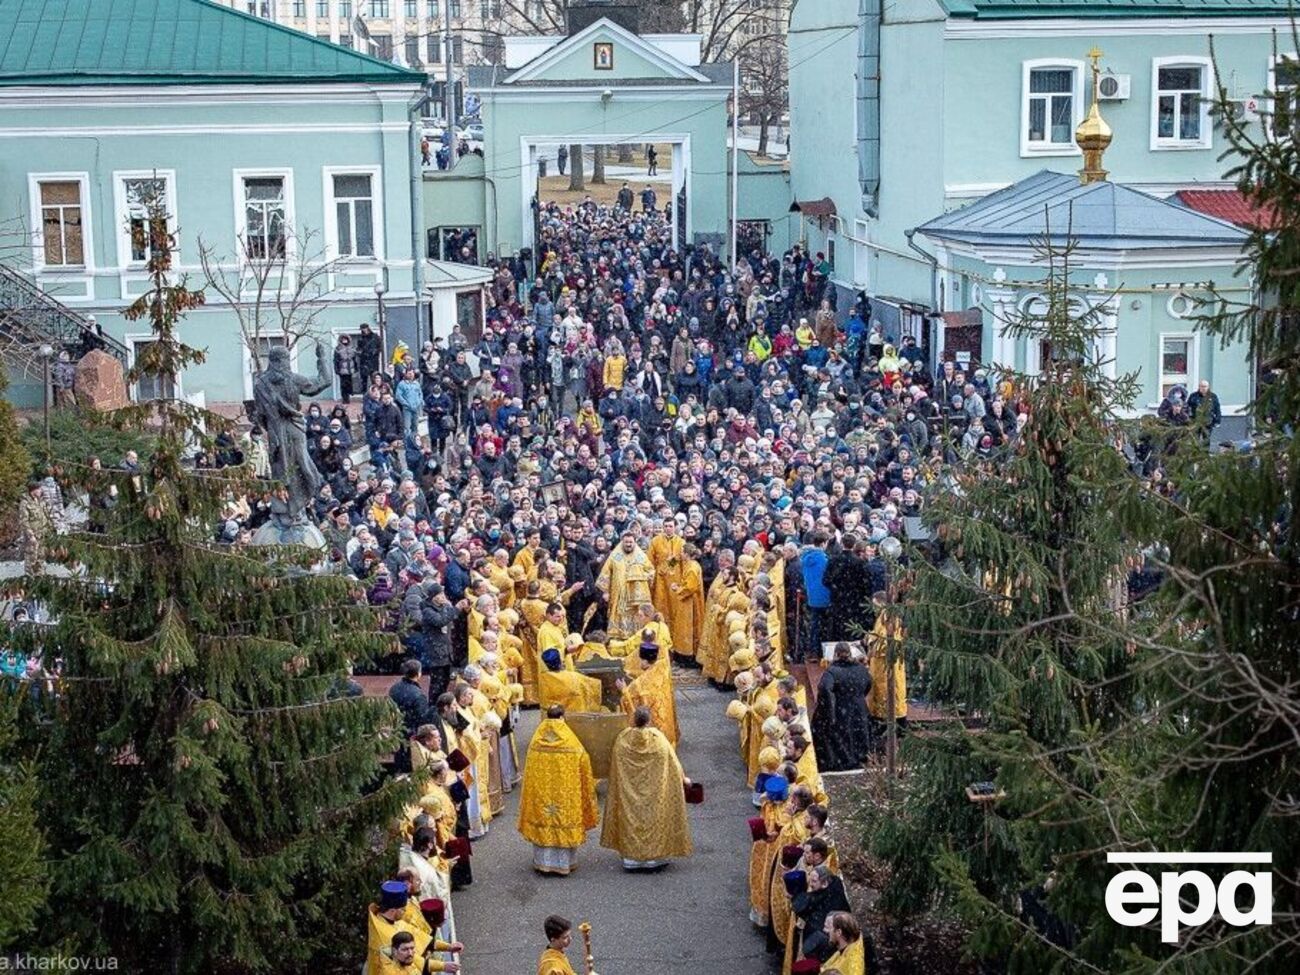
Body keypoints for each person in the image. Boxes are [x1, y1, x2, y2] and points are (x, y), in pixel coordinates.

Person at [600, 706, 693, 870]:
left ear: (633, 720)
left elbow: (614, 762)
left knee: (632, 818)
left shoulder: (623, 739)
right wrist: (683, 779)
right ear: (649, 721)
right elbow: (673, 761)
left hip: (629, 792)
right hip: (655, 792)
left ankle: (632, 859)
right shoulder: (659, 740)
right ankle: (654, 858)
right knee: (654, 818)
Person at [517, 705, 599, 876]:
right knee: (563, 820)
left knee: (544, 820)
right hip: (564, 792)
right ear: (562, 717)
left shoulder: (537, 739)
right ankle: (563, 863)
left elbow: (530, 768)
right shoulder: (570, 740)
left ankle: (543, 863)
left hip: (542, 791)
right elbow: (583, 761)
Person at [810, 643, 872, 771]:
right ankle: (860, 758)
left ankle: (845, 761)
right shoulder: (861, 669)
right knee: (858, 734)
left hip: (841, 709)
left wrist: (828, 707)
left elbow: (824, 688)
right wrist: (858, 696)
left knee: (844, 737)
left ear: (836, 654)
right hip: (860, 708)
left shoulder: (832, 671)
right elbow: (868, 683)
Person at [596, 533, 654, 640]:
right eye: (626, 542)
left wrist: (639, 576)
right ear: (622, 542)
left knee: (636, 617)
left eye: (631, 542)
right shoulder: (615, 556)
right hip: (618, 594)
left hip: (636, 598)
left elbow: (651, 572)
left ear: (635, 542)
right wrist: (605, 592)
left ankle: (634, 639)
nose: (628, 544)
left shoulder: (641, 556)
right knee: (618, 615)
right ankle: (617, 639)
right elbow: (605, 573)